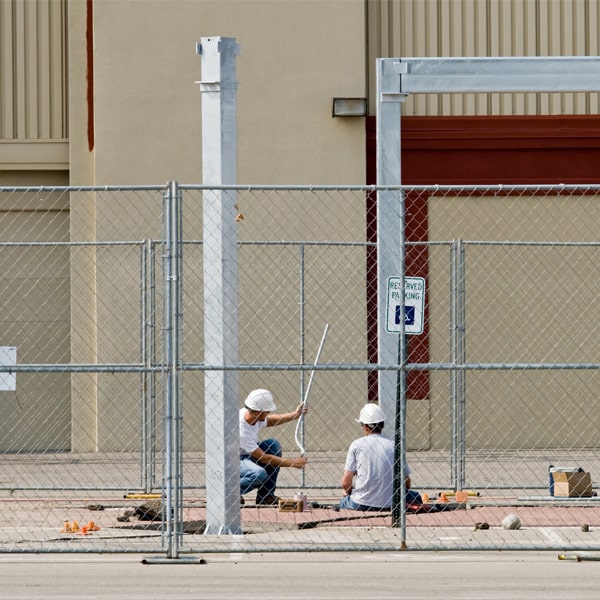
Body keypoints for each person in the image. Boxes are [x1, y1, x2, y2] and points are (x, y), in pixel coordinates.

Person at [339, 403, 422, 511]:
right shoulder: (395, 445)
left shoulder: (357, 445)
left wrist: (348, 493)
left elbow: (346, 482)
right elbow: (406, 480)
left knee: (343, 502)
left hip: (361, 502)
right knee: (415, 497)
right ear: (382, 424)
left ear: (366, 426)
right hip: (392, 503)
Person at [239, 388, 308, 506]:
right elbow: (264, 458)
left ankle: (266, 496)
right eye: (266, 411)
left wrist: (294, 415)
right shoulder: (241, 429)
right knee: (258, 474)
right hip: (234, 460)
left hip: (247, 454)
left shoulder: (253, 415)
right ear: (257, 412)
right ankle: (229, 493)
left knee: (273, 445)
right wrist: (293, 463)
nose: (268, 413)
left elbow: (269, 421)